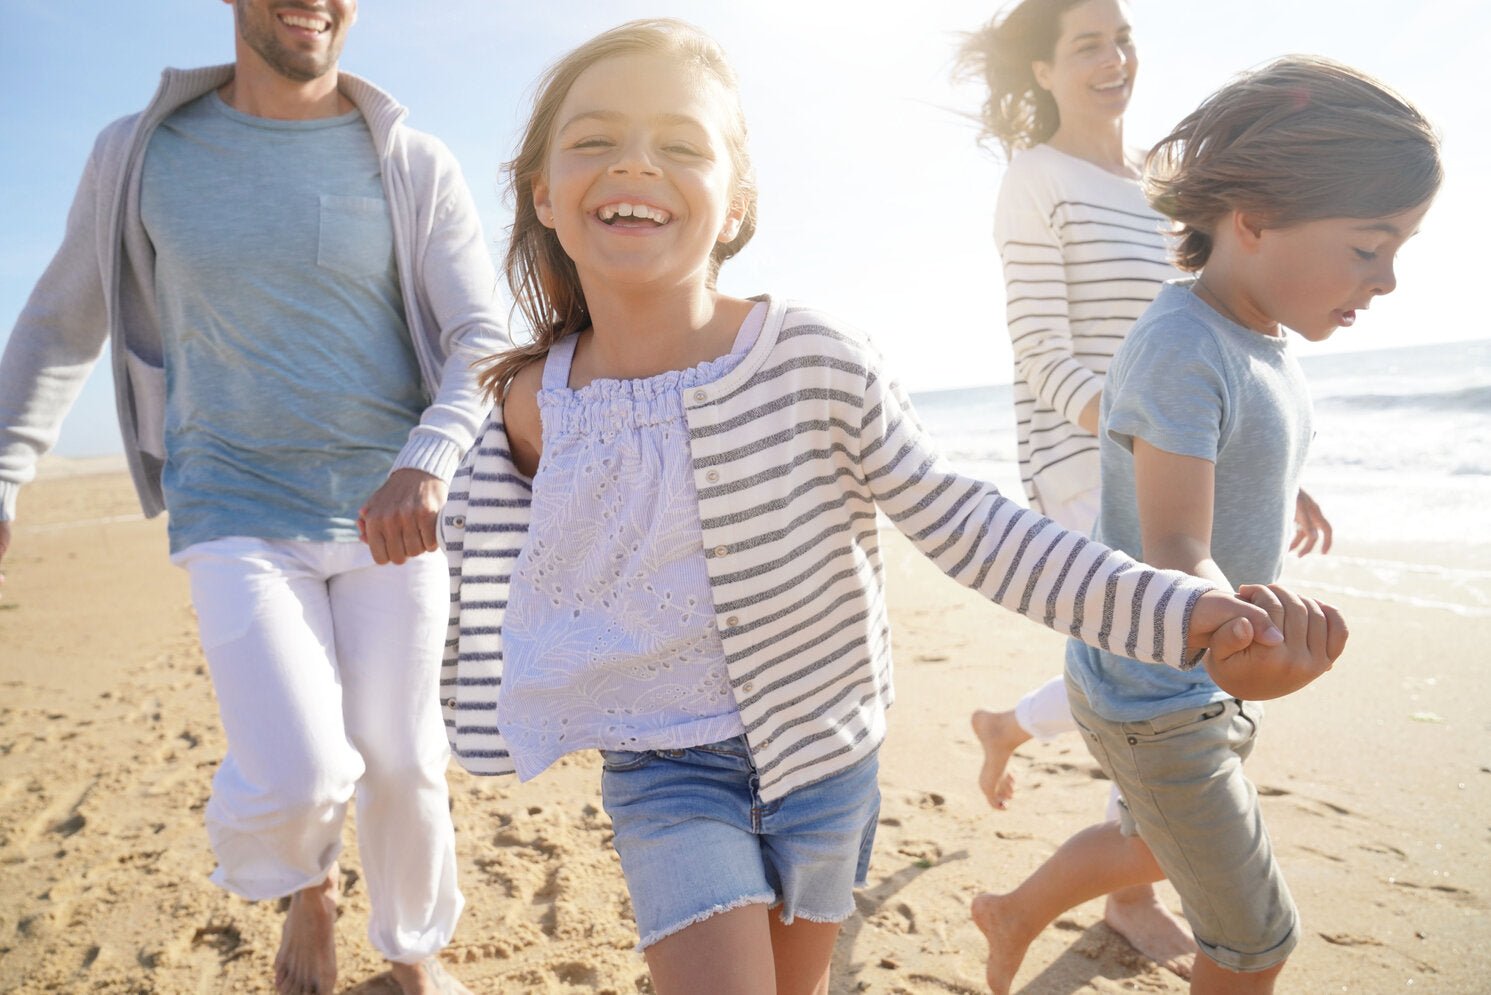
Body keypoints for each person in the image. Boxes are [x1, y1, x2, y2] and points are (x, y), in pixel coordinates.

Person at [436, 19, 1344, 995]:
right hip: (666, 771)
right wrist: (484, 713)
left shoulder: (810, 357)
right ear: (542, 191)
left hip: (828, 753)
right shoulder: (534, 402)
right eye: (594, 140)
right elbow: (488, 569)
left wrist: (1180, 611)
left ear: (737, 199)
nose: (636, 164)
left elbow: (967, 521)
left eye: (683, 145)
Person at [0, 2, 507, 993]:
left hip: (390, 515)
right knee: (303, 770)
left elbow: (481, 340)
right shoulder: (142, 153)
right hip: (232, 503)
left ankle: (410, 948)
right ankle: (307, 885)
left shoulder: (412, 160)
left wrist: (429, 460)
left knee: (403, 758)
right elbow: (59, 324)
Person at [973, 55, 1440, 994]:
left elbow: (1226, 450)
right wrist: (1246, 637)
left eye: (1398, 251)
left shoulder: (1258, 334)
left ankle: (1013, 909)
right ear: (1254, 217)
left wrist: (1281, 488)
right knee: (1253, 937)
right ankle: (1025, 902)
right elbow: (1175, 548)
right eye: (1367, 246)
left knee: (1152, 842)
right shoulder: (1180, 344)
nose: (1386, 278)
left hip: (1175, 680)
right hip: (1158, 689)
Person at [956, 3, 1332, 974]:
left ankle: (1093, 853)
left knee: (1173, 674)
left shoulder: (1170, 187)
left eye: (1122, 35)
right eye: (1087, 44)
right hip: (1091, 460)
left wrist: (1263, 460)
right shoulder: (1036, 179)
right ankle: (1122, 889)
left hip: (1182, 453)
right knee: (1169, 678)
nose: (1115, 58)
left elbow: (1229, 337)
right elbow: (1040, 354)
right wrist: (1149, 440)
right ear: (1042, 72)